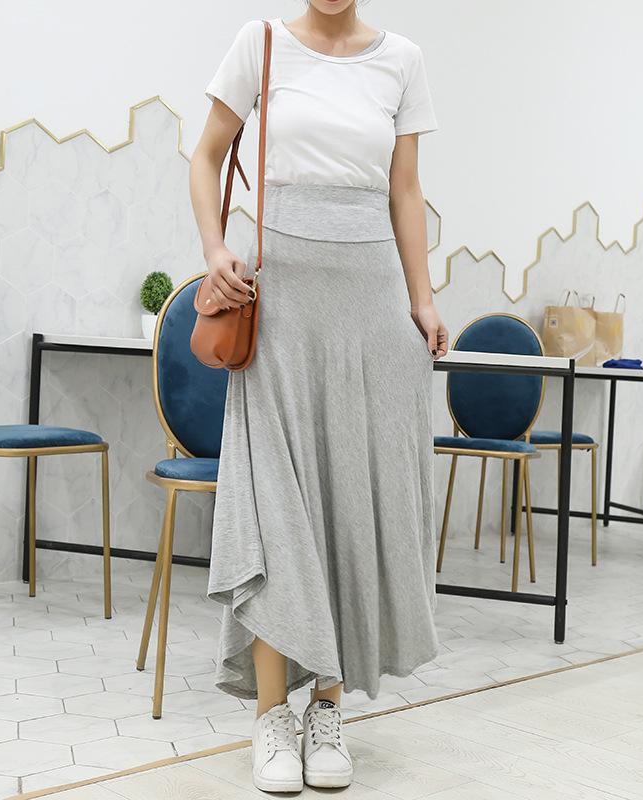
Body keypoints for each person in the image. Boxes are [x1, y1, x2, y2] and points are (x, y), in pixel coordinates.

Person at [189, 0, 447, 792]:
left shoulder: (402, 59)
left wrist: (422, 300)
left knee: (346, 501)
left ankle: (328, 710)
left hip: (370, 300)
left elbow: (406, 190)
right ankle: (272, 718)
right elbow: (205, 156)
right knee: (278, 508)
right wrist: (215, 249)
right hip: (282, 303)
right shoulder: (260, 43)